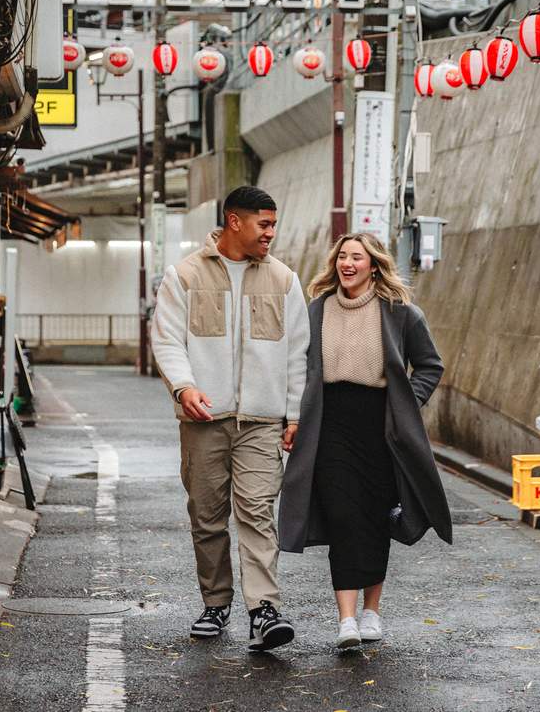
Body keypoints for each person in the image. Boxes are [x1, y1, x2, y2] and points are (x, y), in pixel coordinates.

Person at [151, 186, 310, 652]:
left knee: (258, 512)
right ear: (234, 221)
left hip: (261, 421)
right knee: (207, 516)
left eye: (274, 224)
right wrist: (184, 386)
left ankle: (263, 610)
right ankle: (215, 601)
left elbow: (298, 353)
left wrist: (295, 413)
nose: (271, 233)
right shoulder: (183, 275)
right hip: (204, 418)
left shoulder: (284, 280)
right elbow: (167, 341)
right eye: (264, 224)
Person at [278, 233, 452, 649]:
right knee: (342, 516)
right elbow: (298, 368)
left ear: (374, 265)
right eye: (342, 256)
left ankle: (371, 612)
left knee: (374, 516)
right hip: (329, 423)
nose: (347, 263)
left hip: (381, 426)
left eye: (357, 257)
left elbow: (430, 365)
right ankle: (346, 620)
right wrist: (294, 416)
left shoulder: (400, 313)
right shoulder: (316, 310)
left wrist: (408, 404)